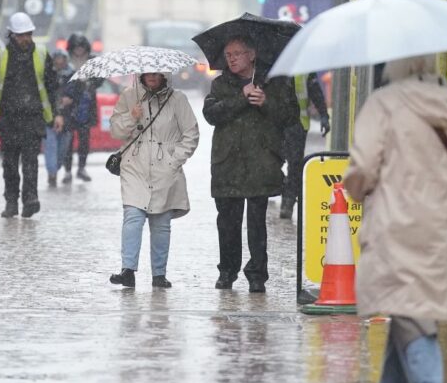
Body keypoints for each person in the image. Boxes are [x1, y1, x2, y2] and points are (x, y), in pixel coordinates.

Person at [344, 54, 447, 383]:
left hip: (396, 215)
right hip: (443, 216)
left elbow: (363, 167)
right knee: (408, 300)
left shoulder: (383, 103)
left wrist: (355, 189)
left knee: (410, 307)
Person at [202, 35, 296, 293]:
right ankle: (227, 271)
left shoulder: (274, 82)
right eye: (228, 55)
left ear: (252, 55)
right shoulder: (221, 84)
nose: (231, 59)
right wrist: (241, 98)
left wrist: (266, 103)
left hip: (260, 162)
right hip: (227, 163)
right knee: (228, 223)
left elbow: (290, 116)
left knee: (257, 224)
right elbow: (211, 114)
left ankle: (257, 275)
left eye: (237, 54)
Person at [109, 72, 199, 288]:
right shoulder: (129, 96)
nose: (151, 76)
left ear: (164, 74)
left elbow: (191, 133)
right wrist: (131, 116)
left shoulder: (177, 99)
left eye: (156, 72)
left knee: (161, 222)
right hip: (134, 166)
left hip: (164, 169)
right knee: (133, 216)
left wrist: (173, 160)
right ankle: (127, 270)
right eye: (147, 72)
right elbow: (115, 131)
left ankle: (159, 274)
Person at [0, 12, 60, 217]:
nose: (26, 39)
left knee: (31, 163)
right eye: (21, 35)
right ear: (12, 35)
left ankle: (30, 199)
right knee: (10, 165)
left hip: (33, 119)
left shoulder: (41, 55)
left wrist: (58, 113)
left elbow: (53, 87)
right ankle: (11, 202)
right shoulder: (0, 57)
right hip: (8, 120)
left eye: (28, 34)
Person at [280, 72, 330, 219]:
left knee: (295, 165)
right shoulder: (273, 66)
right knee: (272, 163)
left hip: (298, 125)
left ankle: (288, 200)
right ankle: (283, 189)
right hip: (276, 125)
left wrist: (324, 115)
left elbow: (315, 92)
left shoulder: (305, 71)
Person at [59, 33, 99, 183]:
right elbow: (61, 79)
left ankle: (82, 168)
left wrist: (90, 82)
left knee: (84, 139)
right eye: (76, 47)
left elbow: (100, 80)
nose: (79, 50)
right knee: (68, 141)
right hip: (70, 105)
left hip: (86, 105)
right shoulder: (67, 60)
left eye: (81, 47)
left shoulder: (92, 61)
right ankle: (67, 170)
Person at [45, 48, 74, 187]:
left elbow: (78, 93)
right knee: (50, 146)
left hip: (68, 118)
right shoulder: (48, 75)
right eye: (56, 59)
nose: (59, 62)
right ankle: (52, 173)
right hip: (49, 117)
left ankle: (55, 168)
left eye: (61, 59)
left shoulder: (72, 75)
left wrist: (71, 99)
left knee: (63, 148)